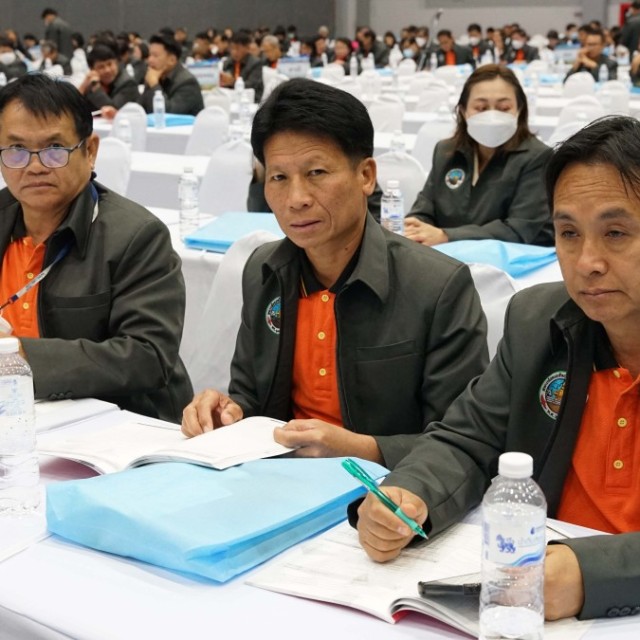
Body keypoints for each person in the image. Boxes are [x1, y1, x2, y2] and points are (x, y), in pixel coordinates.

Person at [356, 115, 640, 621]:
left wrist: (592, 574)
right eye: (568, 233)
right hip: (531, 596)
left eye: (615, 233)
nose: (587, 261)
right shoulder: (539, 322)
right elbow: (466, 439)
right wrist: (412, 492)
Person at [182, 78, 488, 469]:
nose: (296, 199)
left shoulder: (438, 286)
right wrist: (228, 411)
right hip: (278, 475)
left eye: (316, 172)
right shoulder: (264, 269)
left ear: (366, 176)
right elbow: (252, 397)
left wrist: (362, 448)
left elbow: (462, 442)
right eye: (279, 178)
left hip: (387, 488)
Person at [0, 73, 192, 421]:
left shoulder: (137, 236)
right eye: (16, 151)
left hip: (114, 426)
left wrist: (21, 358)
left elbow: (148, 356)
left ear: (90, 151)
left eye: (55, 150)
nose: (34, 166)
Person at [405, 64, 553, 246]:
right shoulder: (446, 151)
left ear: (519, 110)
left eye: (504, 108)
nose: (492, 116)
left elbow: (518, 229)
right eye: (481, 108)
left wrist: (446, 236)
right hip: (444, 256)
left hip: (510, 261)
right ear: (463, 111)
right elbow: (424, 208)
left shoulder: (537, 157)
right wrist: (414, 228)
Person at [141, 33, 204, 116]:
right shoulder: (155, 76)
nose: (149, 60)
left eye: (155, 56)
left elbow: (168, 114)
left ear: (172, 60)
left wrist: (154, 85)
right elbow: (141, 109)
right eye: (149, 55)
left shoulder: (188, 83)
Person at [78, 43, 139, 119]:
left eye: (109, 64)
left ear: (116, 63)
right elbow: (74, 107)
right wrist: (84, 85)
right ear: (92, 70)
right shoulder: (93, 81)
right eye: (101, 67)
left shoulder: (128, 83)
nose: (107, 70)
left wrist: (97, 88)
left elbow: (112, 111)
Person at [220, 32, 263, 102]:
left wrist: (233, 82)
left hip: (250, 100)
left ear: (247, 48)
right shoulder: (227, 62)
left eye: (237, 48)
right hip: (230, 98)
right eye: (232, 48)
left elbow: (251, 86)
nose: (234, 52)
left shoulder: (256, 63)